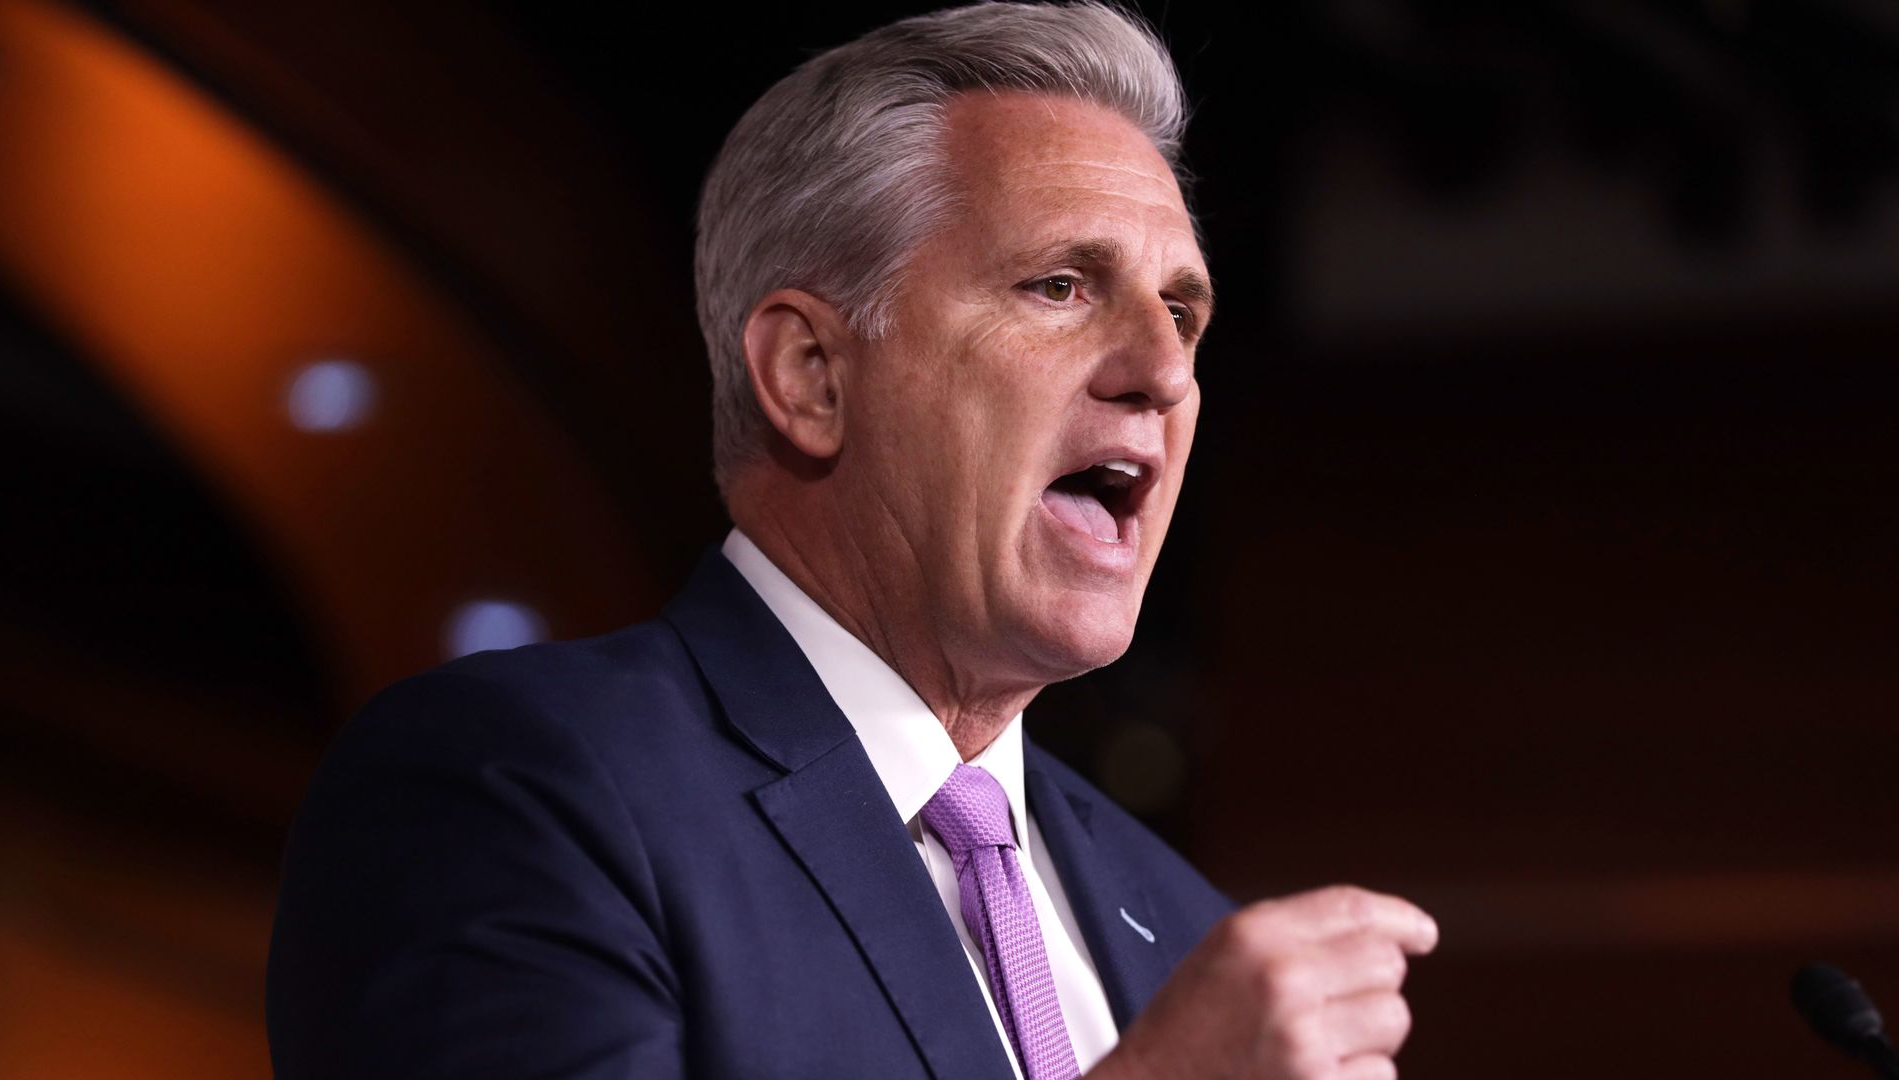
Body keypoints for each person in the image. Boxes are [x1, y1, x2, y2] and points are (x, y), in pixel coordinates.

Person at [265, 4, 1439, 1078]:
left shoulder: (1179, 925)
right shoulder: (520, 789)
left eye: (1183, 312)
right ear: (812, 376)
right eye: (1059, 286)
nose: (1166, 372)